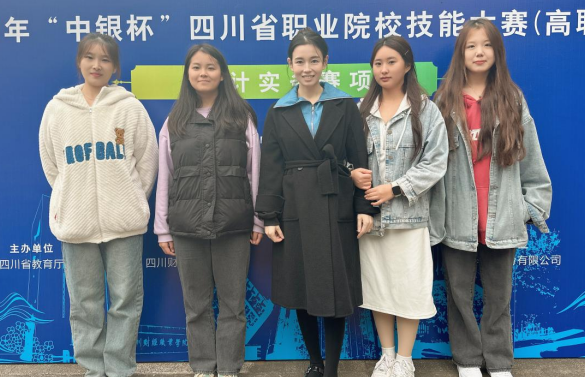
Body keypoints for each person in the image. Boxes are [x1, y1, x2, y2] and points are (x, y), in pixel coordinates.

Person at [432, 19, 552, 377]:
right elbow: (432, 164)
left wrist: (530, 207)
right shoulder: (445, 101)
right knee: (459, 294)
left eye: (486, 45)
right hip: (457, 217)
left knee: (499, 297)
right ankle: (467, 360)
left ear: (497, 52)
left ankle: (498, 362)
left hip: (502, 217)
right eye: (471, 46)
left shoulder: (512, 99)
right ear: (461, 53)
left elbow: (532, 159)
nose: (479, 52)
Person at [257, 27, 377, 377]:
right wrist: (269, 216)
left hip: (336, 203)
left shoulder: (344, 105)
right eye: (299, 61)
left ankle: (332, 369)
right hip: (295, 208)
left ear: (325, 62)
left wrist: (364, 207)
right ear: (289, 65)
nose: (306, 68)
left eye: (313, 60)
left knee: (336, 289)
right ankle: (314, 361)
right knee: (302, 287)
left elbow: (359, 158)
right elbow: (270, 167)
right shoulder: (279, 111)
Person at [38, 33, 158, 377]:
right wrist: (71, 196)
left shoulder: (129, 108)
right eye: (90, 57)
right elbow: (52, 166)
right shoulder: (57, 109)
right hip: (76, 224)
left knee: (125, 300)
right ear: (79, 62)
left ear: (115, 67)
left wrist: (128, 198)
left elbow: (146, 162)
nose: (97, 65)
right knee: (84, 303)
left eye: (105, 59)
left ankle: (119, 369)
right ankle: (93, 369)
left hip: (124, 222)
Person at [154, 43, 263, 377]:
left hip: (234, 225)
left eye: (211, 67)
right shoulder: (174, 122)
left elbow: (254, 172)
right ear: (187, 74)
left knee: (233, 304)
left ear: (222, 74)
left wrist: (258, 221)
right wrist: (162, 228)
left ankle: (229, 368)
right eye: (196, 67)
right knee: (196, 305)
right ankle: (203, 367)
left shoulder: (241, 118)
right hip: (186, 228)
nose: (203, 73)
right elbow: (165, 177)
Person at [350, 36, 448, 377]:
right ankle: (387, 355)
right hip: (372, 220)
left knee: (409, 289)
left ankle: (405, 359)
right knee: (378, 288)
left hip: (410, 217)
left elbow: (436, 162)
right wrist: (353, 174)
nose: (384, 69)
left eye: (391, 61)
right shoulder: (362, 111)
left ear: (407, 65)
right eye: (378, 63)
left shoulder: (425, 110)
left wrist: (394, 188)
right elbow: (350, 159)